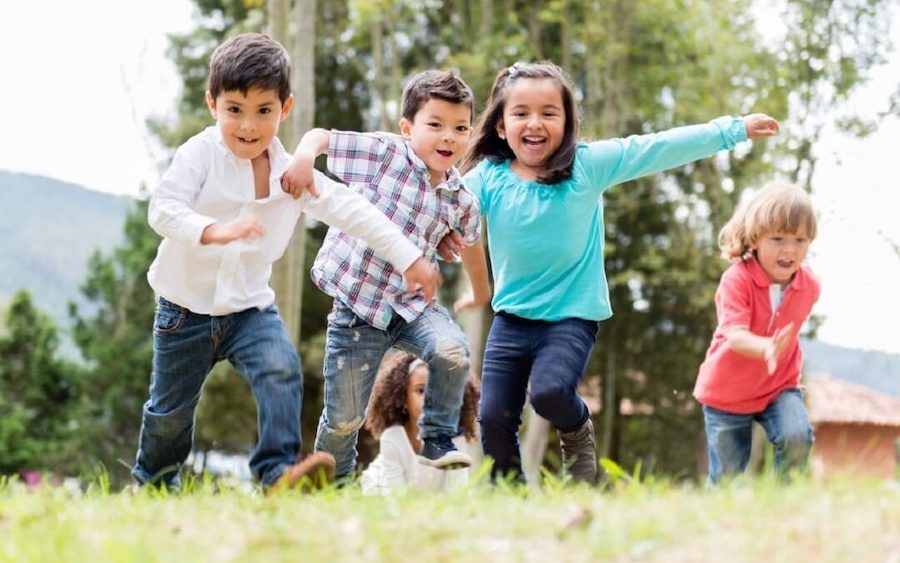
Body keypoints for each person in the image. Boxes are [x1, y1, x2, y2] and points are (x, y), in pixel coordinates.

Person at [132, 33, 440, 493]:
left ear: (285, 107)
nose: (248, 126)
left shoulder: (291, 174)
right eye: (234, 109)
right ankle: (153, 482)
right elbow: (164, 208)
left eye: (263, 111)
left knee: (281, 368)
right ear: (212, 104)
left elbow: (354, 211)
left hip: (248, 309)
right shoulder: (200, 154)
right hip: (183, 311)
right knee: (170, 411)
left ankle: (277, 475)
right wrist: (213, 230)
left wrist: (409, 257)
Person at [450, 61, 780, 484]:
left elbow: (657, 146)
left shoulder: (588, 166)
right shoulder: (487, 179)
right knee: (494, 417)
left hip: (571, 316)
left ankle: (577, 428)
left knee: (550, 392)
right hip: (512, 319)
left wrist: (732, 129)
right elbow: (446, 208)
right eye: (521, 113)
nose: (535, 123)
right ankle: (511, 495)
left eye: (549, 112)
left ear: (567, 122)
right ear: (500, 126)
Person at [281, 69, 491, 481]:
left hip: (413, 307)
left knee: (452, 352)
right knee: (345, 419)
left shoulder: (461, 199)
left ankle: (436, 435)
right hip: (357, 310)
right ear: (407, 127)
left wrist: (480, 292)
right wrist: (304, 159)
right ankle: (330, 485)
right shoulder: (385, 154)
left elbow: (471, 247)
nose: (448, 137)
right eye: (435, 125)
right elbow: (322, 137)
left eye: (460, 128)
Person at [694, 181, 819, 484]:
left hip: (778, 386)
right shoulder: (736, 280)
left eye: (800, 240)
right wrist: (766, 347)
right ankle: (723, 525)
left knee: (797, 436)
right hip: (727, 393)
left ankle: (784, 505)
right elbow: (734, 336)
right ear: (755, 238)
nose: (790, 249)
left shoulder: (809, 286)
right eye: (778, 238)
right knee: (727, 478)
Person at [360, 352, 481, 494]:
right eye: (421, 390)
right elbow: (394, 495)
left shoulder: (456, 441)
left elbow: (457, 495)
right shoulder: (393, 437)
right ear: (403, 398)